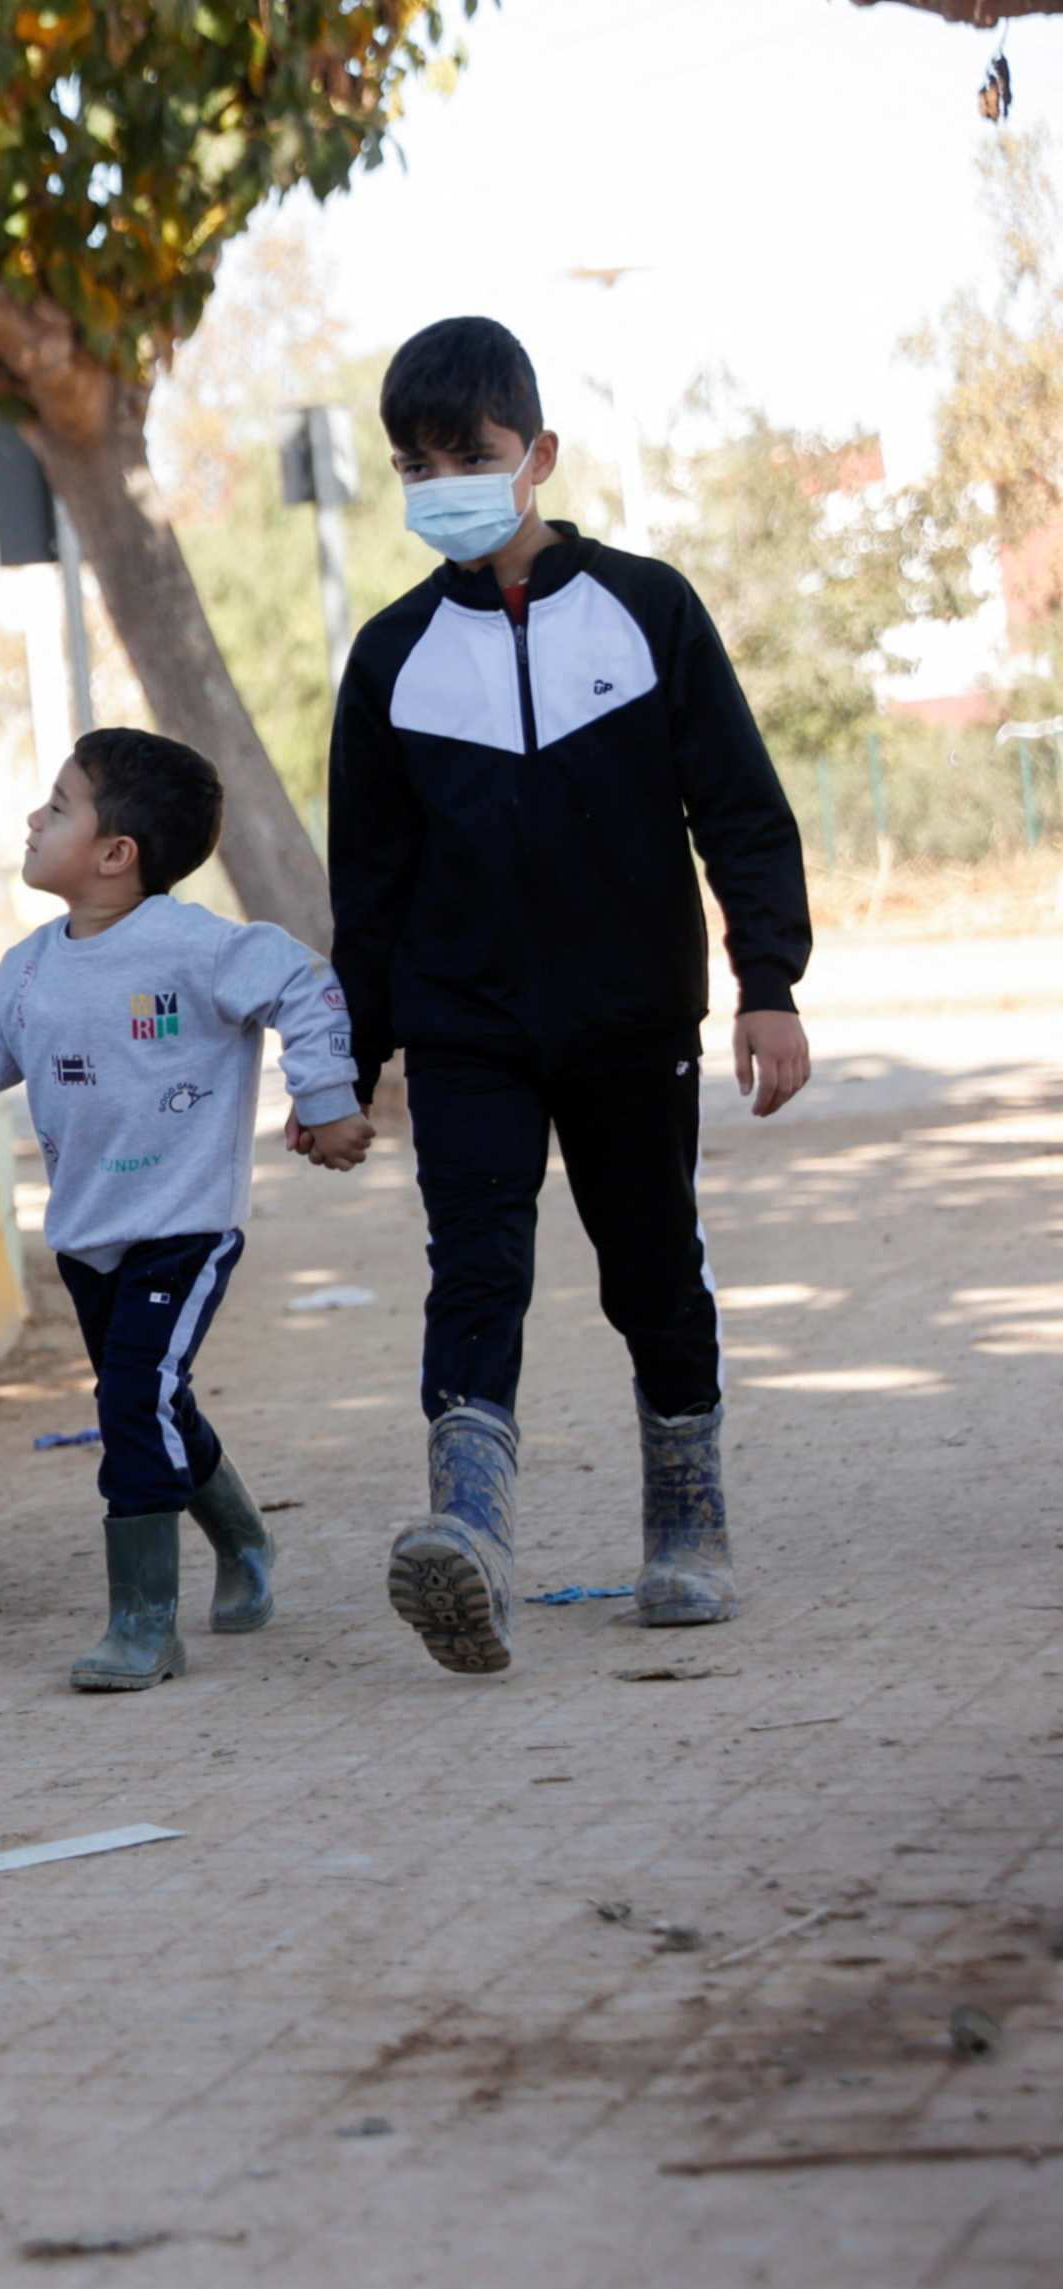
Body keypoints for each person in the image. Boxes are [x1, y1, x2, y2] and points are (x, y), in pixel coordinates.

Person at [328, 317, 813, 1676]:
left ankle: (688, 1518)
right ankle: (468, 1538)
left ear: (536, 456)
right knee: (473, 1266)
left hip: (628, 1023)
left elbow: (740, 809)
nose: (443, 484)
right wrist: (346, 1064)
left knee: (650, 1266)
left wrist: (766, 983)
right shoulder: (390, 659)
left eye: (468, 455)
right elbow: (366, 888)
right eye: (414, 465)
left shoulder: (649, 611)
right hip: (466, 1032)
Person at [0, 731, 368, 1690]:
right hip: (88, 1241)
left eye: (56, 805)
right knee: (157, 1399)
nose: (32, 816)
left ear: (114, 854)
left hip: (184, 1228)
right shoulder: (27, 968)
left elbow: (304, 985)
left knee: (132, 1401)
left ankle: (143, 1621)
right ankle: (244, 1539)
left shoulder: (200, 948)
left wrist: (326, 1095)